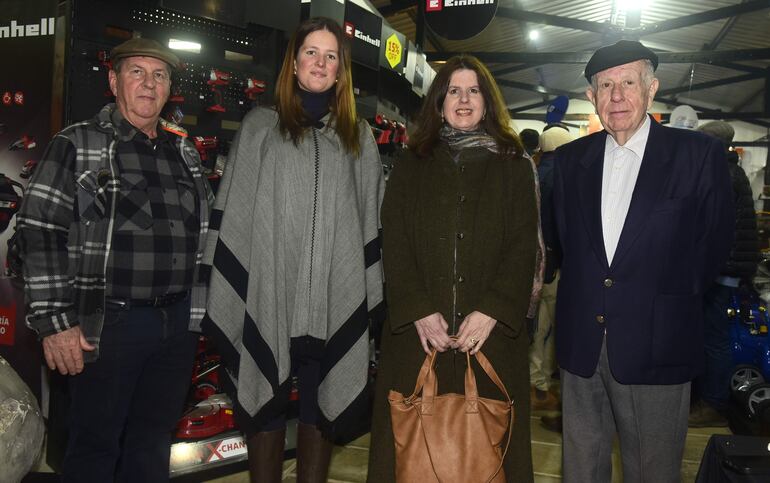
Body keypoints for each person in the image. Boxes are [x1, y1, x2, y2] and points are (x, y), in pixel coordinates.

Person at [17, 38, 213, 482]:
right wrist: (53, 322)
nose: (149, 83)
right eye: (136, 72)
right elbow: (39, 229)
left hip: (177, 325)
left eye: (159, 75)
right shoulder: (78, 143)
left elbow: (204, 236)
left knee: (152, 445)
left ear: (169, 89)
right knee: (95, 449)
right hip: (109, 327)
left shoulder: (184, 152)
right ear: (113, 81)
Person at [201, 17, 384, 483]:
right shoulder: (260, 127)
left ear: (341, 70)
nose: (320, 63)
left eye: (330, 56)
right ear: (294, 63)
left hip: (331, 295)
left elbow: (367, 220)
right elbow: (238, 215)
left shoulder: (358, 136)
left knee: (321, 405)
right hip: (270, 292)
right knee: (264, 396)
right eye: (311, 53)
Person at [552, 40, 734, 482]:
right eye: (605, 85)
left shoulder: (697, 157)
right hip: (582, 346)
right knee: (581, 469)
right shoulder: (569, 160)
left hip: (659, 344)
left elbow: (714, 245)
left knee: (652, 471)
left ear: (651, 89)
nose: (617, 96)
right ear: (592, 98)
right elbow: (562, 241)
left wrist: (662, 301)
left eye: (628, 83)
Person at [367, 54, 540, 483]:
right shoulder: (410, 163)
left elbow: (525, 245)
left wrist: (494, 310)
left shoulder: (516, 165)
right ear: (439, 101)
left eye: (474, 90)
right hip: (419, 340)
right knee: (409, 460)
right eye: (454, 90)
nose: (464, 99)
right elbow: (395, 239)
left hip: (492, 341)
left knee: (490, 461)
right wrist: (419, 309)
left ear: (488, 101)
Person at [689, 121, 759, 427]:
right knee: (706, 336)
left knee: (714, 339)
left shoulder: (724, 175)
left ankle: (714, 403)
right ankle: (706, 397)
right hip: (721, 268)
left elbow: (713, 229)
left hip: (719, 270)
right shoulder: (729, 170)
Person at [530, 124, 574, 414]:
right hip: (553, 266)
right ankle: (539, 386)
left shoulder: (534, 169)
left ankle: (538, 385)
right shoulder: (563, 175)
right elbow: (560, 225)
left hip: (534, 264)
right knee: (548, 330)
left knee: (538, 328)